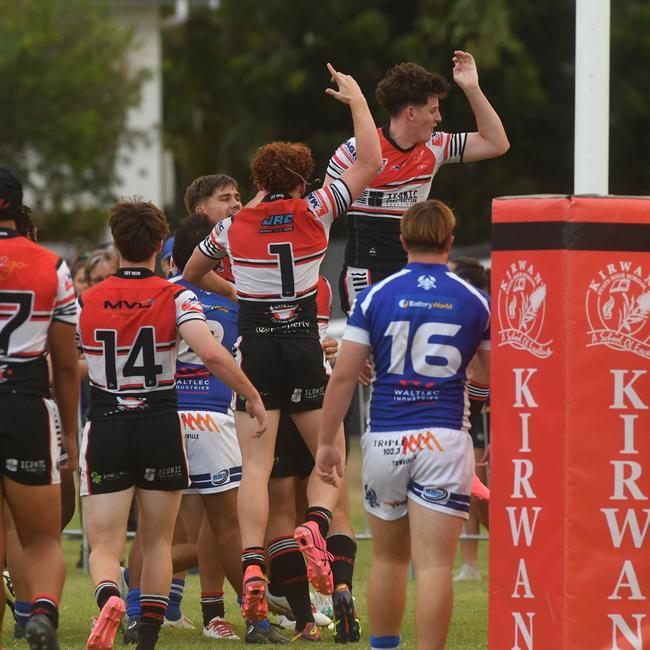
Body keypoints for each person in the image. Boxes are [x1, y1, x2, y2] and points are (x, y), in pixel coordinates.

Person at [182, 62, 382, 623]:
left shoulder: (231, 226)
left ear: (259, 177)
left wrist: (242, 289)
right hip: (302, 342)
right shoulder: (316, 208)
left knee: (255, 467)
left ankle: (250, 565)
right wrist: (358, 101)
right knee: (332, 460)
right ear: (301, 180)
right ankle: (315, 527)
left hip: (256, 348)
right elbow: (371, 161)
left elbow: (190, 272)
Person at [77, 199, 266, 650]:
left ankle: (109, 597)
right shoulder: (175, 295)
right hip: (160, 421)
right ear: (159, 244)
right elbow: (214, 353)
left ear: (117, 241)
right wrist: (254, 395)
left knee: (104, 544)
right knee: (160, 540)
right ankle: (148, 638)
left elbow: (78, 362)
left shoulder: (89, 297)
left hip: (106, 421)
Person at [314, 200, 490, 650]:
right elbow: (491, 375)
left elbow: (345, 375)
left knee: (390, 559)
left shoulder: (376, 295)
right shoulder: (474, 298)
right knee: (433, 566)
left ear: (403, 241)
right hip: (444, 438)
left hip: (387, 437)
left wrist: (326, 443)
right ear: (449, 242)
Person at [326, 51, 509, 313]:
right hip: (365, 274)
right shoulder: (354, 152)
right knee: (371, 352)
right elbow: (321, 216)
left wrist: (472, 87)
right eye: (433, 110)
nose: (439, 118)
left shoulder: (435, 146)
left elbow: (497, 143)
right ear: (410, 113)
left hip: (414, 272)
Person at [0, 165, 79, 650]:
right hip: (27, 404)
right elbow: (67, 367)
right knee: (44, 540)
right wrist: (69, 433)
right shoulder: (52, 265)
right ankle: (42, 613)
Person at [448, 257, 491, 581]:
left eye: (449, 273)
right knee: (469, 490)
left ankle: (509, 544)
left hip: (482, 416)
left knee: (478, 491)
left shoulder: (481, 315)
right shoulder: (455, 316)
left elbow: (494, 374)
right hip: (464, 420)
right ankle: (470, 564)